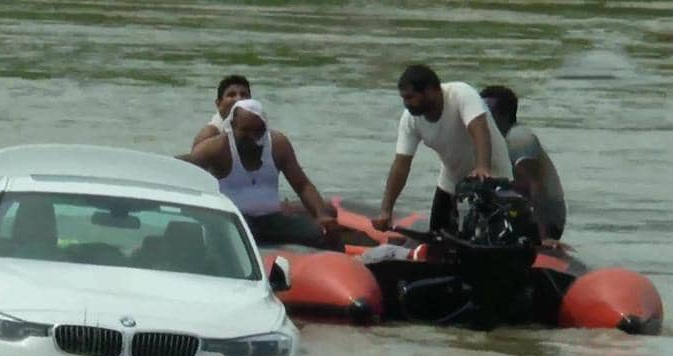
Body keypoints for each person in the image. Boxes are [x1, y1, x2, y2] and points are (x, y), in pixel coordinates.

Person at [178, 98, 342, 251]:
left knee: (321, 232)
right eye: (246, 131)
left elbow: (302, 185)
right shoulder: (217, 148)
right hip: (236, 223)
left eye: (258, 131)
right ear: (233, 126)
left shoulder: (278, 144)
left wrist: (321, 215)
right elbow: (185, 166)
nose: (253, 137)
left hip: (273, 219)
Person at [372, 64, 512, 234]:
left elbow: (479, 130)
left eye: (410, 97)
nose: (406, 104)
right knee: (437, 235)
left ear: (431, 90)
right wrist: (386, 210)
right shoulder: (410, 119)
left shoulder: (461, 94)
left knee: (487, 238)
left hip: (492, 177)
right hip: (451, 180)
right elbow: (401, 165)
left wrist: (483, 167)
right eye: (404, 98)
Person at [480, 85, 567, 242]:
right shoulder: (490, 140)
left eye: (487, 114)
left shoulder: (518, 139)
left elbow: (535, 187)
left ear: (504, 116)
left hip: (547, 219)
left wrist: (544, 237)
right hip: (510, 208)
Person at [191, 75, 252, 149]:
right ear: (218, 104)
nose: (239, 99)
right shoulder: (210, 135)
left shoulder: (260, 128)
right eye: (231, 95)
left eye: (243, 94)